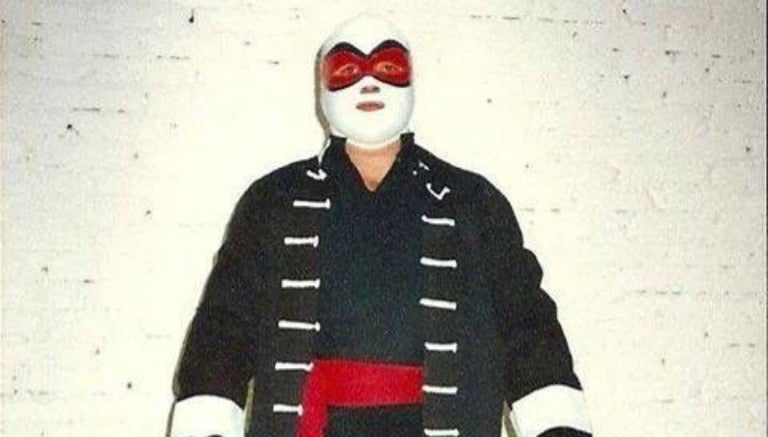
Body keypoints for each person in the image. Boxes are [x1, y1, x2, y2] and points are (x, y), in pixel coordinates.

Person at [168, 13, 592, 437]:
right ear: (322, 83)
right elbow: (222, 334)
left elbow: (529, 334)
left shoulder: (474, 203)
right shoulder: (272, 201)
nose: (369, 83)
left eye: (388, 66)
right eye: (347, 70)